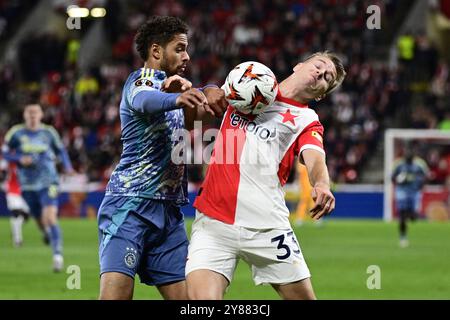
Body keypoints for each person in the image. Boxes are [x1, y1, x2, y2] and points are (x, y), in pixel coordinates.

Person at [186, 51, 346, 300]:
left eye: (327, 77)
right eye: (319, 65)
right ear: (299, 65)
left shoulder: (307, 120)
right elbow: (191, 117)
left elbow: (316, 159)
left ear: (322, 94)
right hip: (214, 223)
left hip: (268, 228)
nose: (320, 74)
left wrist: (323, 184)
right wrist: (208, 89)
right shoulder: (248, 82)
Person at [97, 16, 227, 300]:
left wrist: (211, 88)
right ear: (156, 51)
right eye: (179, 48)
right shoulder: (141, 81)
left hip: (168, 215)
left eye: (186, 48)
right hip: (129, 207)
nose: (187, 55)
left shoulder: (176, 87)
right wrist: (177, 99)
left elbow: (211, 108)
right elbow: (145, 100)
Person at [2, 104, 74, 271]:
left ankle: (57, 256)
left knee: (50, 218)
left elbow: (61, 151)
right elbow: (5, 153)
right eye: (30, 113)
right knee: (40, 220)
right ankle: (46, 234)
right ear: (25, 115)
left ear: (41, 115)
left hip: (49, 181)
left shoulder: (48, 133)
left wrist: (68, 167)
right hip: (27, 185)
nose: (33, 116)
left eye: (36, 113)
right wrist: (19, 158)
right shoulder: (16, 133)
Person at [391, 144, 429, 248]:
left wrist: (420, 185)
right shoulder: (399, 164)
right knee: (402, 215)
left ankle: (411, 215)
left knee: (413, 216)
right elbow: (392, 177)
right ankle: (403, 237)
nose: (408, 154)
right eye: (407, 152)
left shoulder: (420, 164)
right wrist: (399, 180)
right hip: (402, 191)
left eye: (410, 152)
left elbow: (426, 176)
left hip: (414, 192)